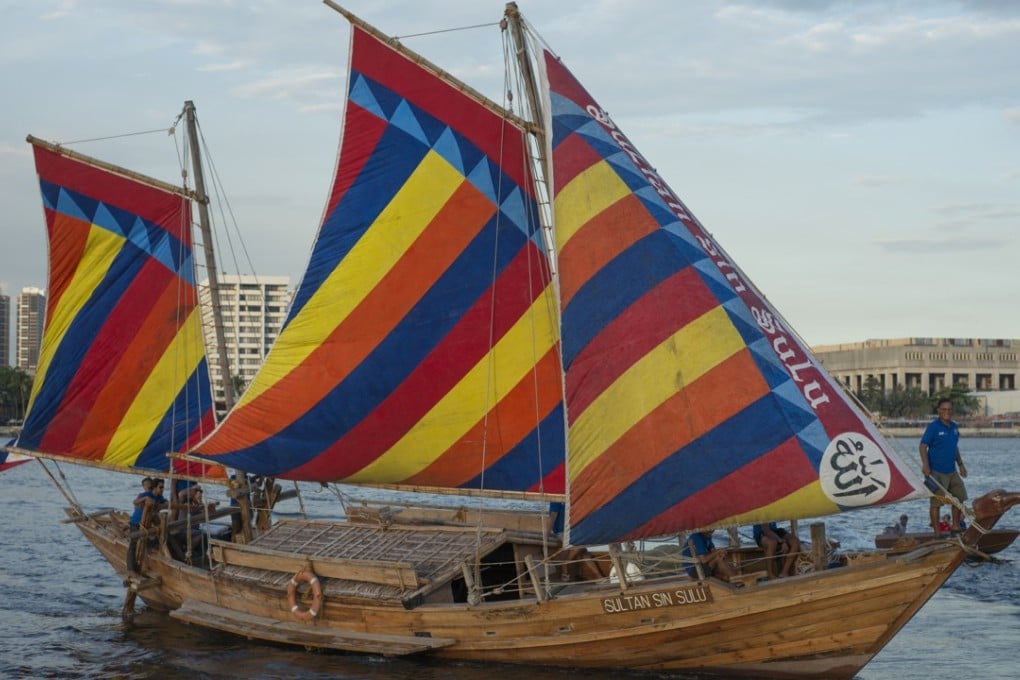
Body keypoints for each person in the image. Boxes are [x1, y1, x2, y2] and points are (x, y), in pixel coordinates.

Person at [920, 398, 968, 535]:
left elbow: (954, 447)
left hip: (952, 471)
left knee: (959, 498)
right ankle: (937, 533)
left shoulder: (954, 427)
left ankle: (955, 527)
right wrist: (925, 465)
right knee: (936, 503)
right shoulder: (933, 427)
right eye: (944, 409)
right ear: (939, 411)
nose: (947, 412)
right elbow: (923, 446)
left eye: (949, 409)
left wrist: (961, 465)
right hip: (936, 472)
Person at [126, 478, 168, 578]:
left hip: (147, 524)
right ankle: (131, 570)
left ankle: (151, 551)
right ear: (154, 488)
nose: (162, 489)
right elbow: (135, 502)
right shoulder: (146, 494)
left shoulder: (159, 497)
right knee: (133, 545)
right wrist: (144, 500)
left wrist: (164, 504)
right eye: (161, 487)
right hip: (136, 523)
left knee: (155, 539)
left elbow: (167, 503)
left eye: (163, 487)